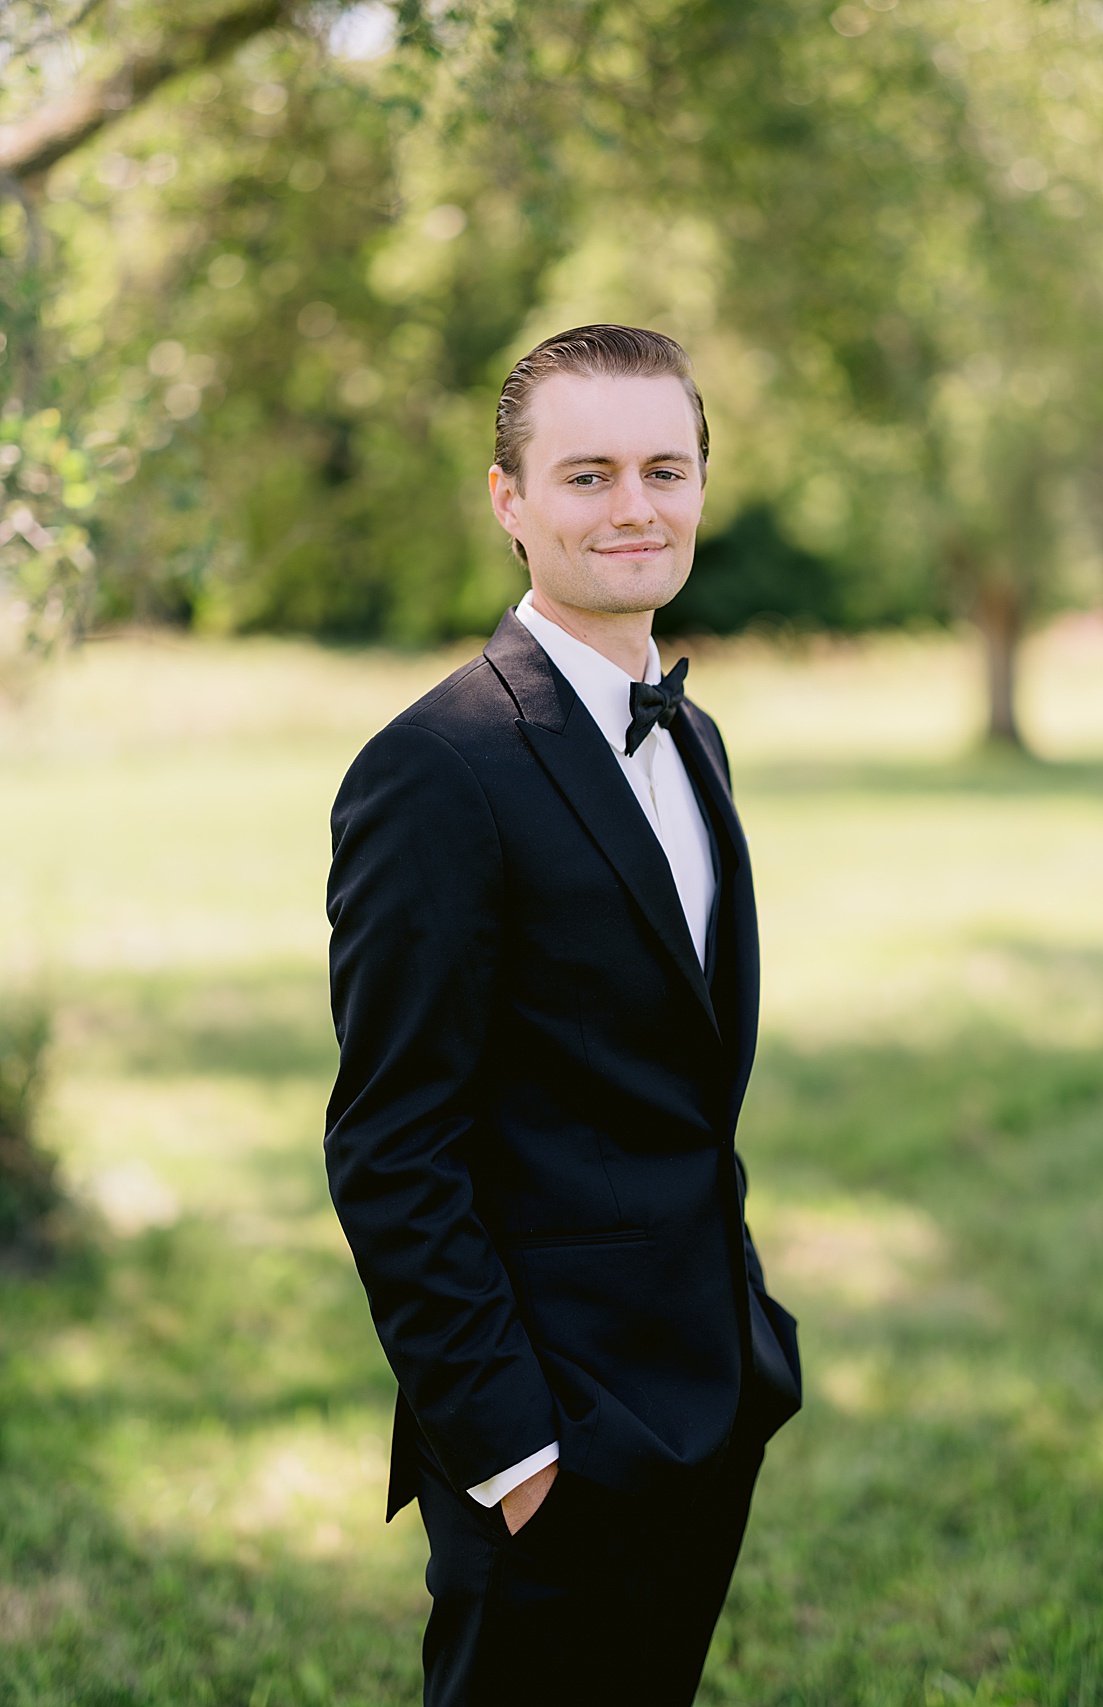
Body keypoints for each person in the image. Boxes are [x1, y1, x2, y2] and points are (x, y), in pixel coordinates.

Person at [324, 324, 802, 1707]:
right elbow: (390, 1145)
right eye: (586, 475)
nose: (636, 506)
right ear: (509, 503)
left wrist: (747, 1349)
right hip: (554, 1436)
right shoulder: (436, 769)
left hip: (712, 1395)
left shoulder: (692, 737)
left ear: (704, 484)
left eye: (666, 467)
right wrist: (514, 1455)